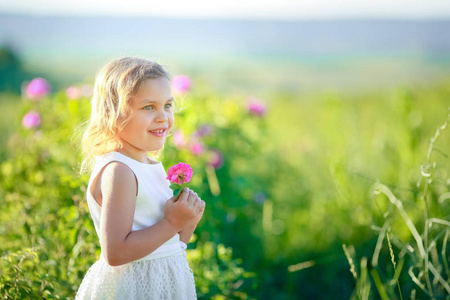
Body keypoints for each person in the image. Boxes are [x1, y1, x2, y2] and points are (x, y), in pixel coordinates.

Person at [75, 57, 205, 299]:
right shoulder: (120, 171)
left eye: (167, 105)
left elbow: (168, 247)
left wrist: (186, 222)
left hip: (162, 284)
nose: (162, 117)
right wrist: (172, 223)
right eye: (148, 107)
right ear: (114, 114)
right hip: (132, 288)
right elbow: (116, 253)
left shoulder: (151, 165)